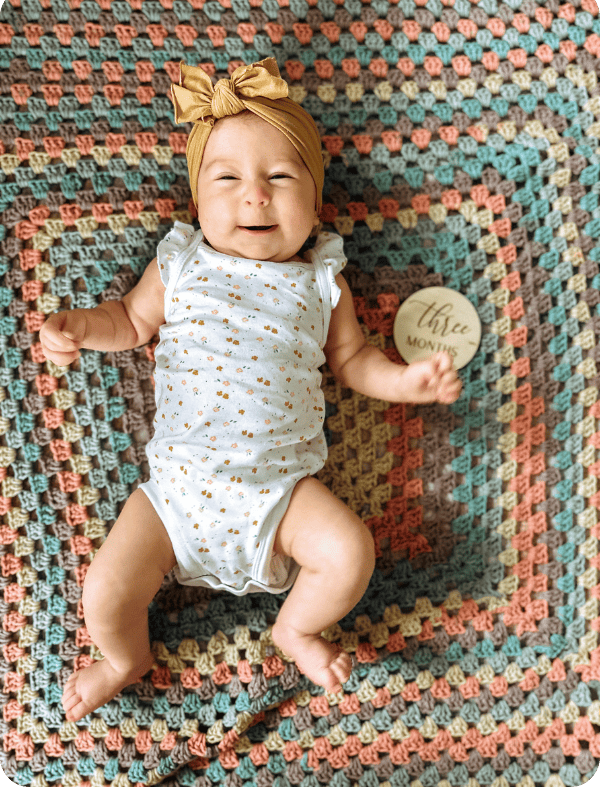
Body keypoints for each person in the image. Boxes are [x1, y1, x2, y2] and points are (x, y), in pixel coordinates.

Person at [40, 59, 462, 722]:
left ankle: (294, 629)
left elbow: (353, 362)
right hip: (173, 500)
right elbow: (129, 320)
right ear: (198, 200)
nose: (255, 196)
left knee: (350, 552)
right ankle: (126, 658)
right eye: (228, 178)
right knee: (104, 591)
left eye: (280, 178)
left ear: (315, 200)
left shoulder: (322, 282)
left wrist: (406, 381)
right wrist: (78, 328)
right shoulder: (181, 262)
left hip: (280, 495)